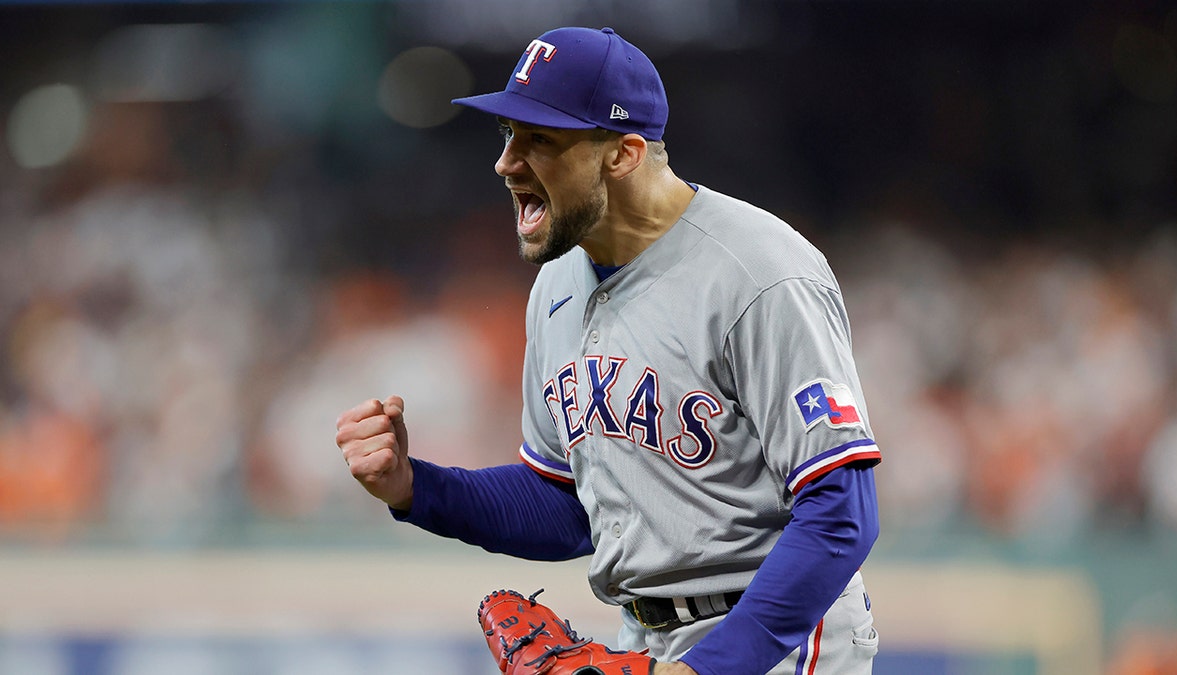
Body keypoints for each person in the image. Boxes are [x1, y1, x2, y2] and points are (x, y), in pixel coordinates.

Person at [336, 26, 881, 675]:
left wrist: (711, 667)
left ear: (622, 154)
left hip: (776, 640)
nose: (507, 163)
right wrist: (416, 487)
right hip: (644, 638)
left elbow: (841, 511)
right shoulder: (557, 287)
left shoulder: (759, 272)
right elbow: (566, 504)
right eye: (507, 134)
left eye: (539, 139)